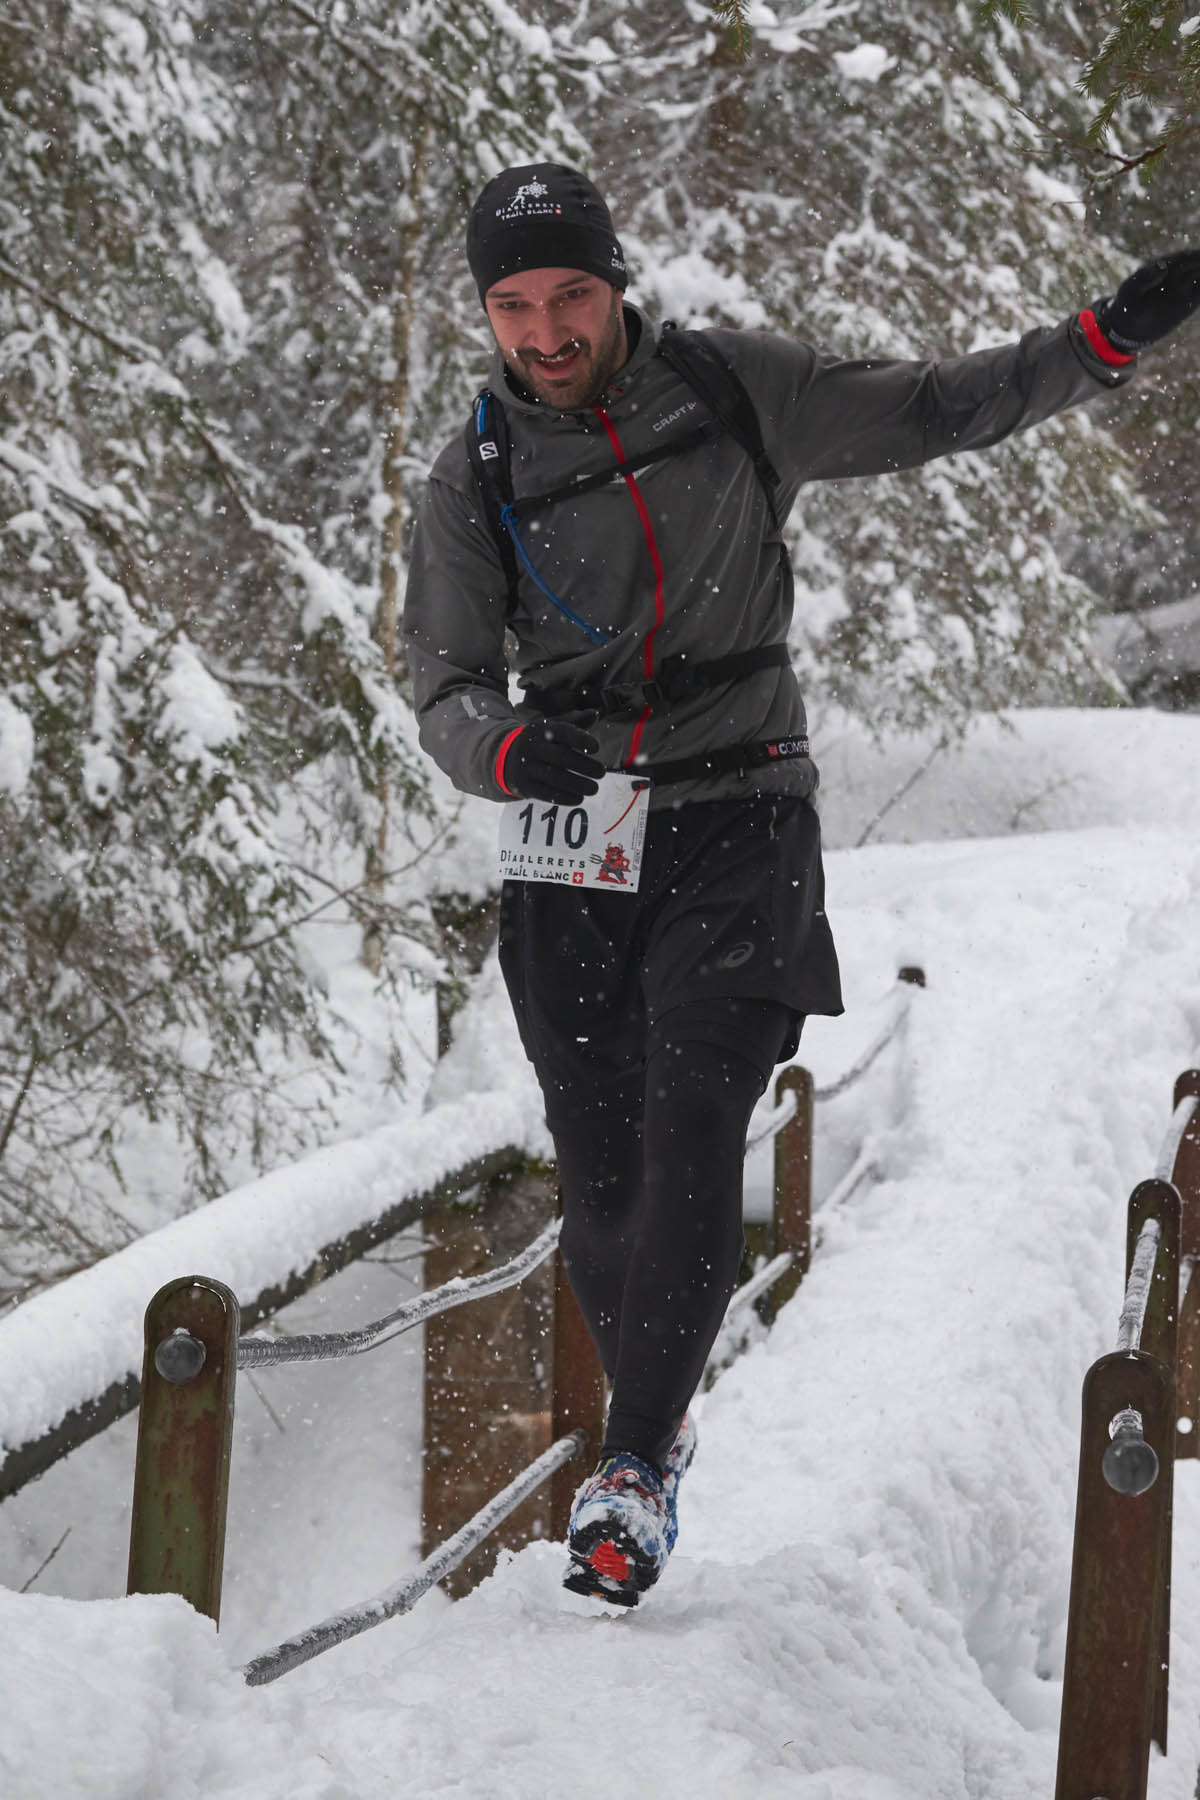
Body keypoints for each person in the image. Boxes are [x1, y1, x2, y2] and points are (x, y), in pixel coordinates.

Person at [402, 161, 1200, 1606]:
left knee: (698, 1118)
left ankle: (628, 1471)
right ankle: (662, 1426)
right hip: (576, 835)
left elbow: (940, 405)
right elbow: (445, 689)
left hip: (741, 809)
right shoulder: (475, 476)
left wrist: (1101, 340)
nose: (547, 331)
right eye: (514, 306)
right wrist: (507, 748)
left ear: (616, 283)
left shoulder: (731, 390)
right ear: (487, 313)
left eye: (571, 294)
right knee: (605, 1188)